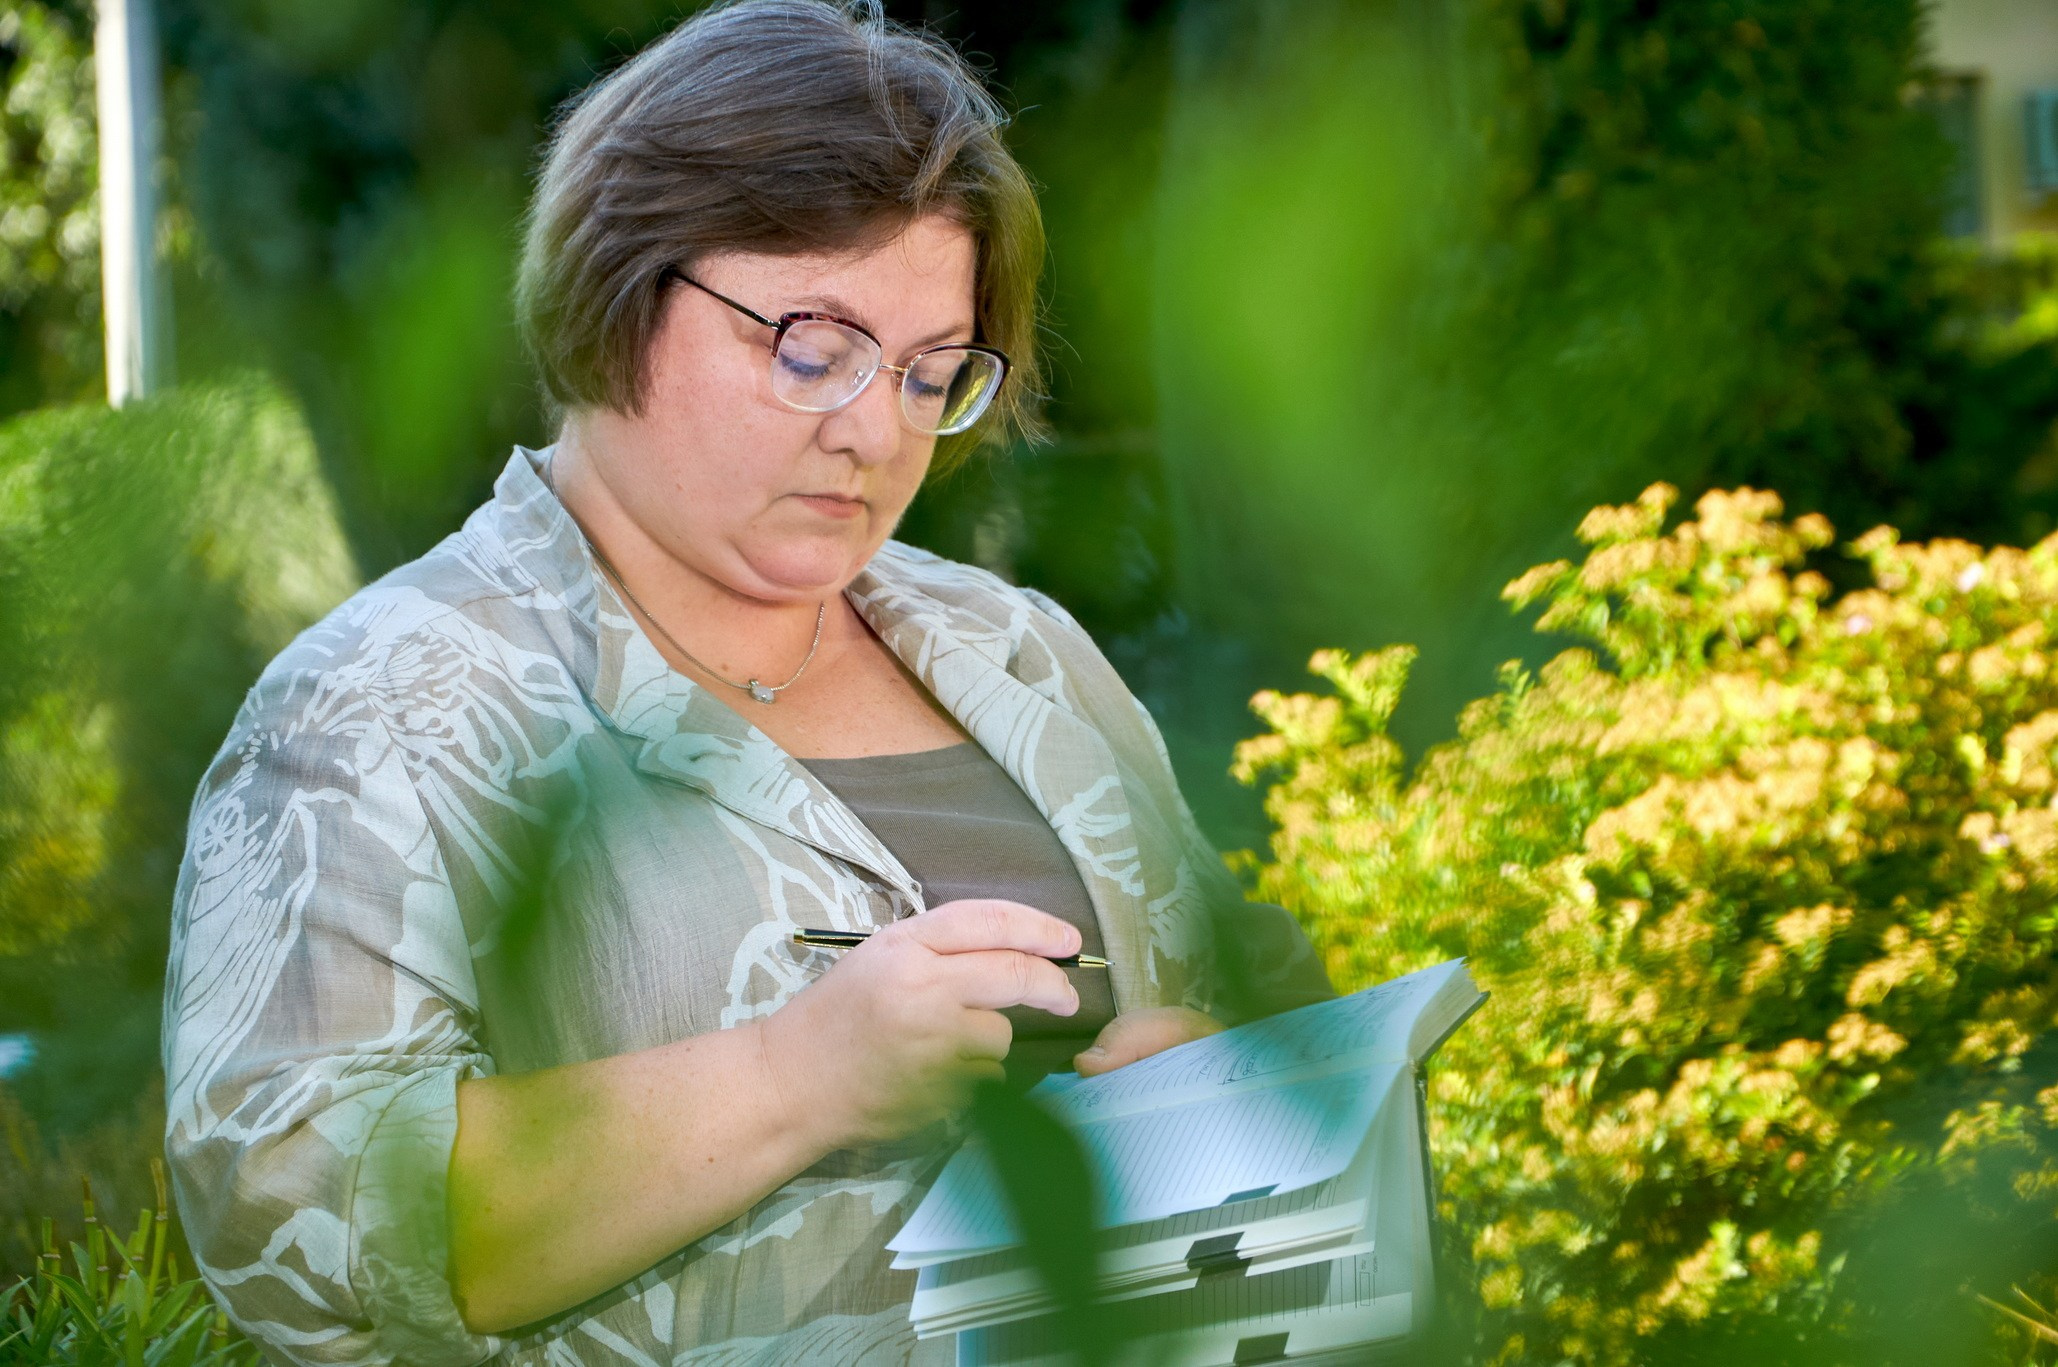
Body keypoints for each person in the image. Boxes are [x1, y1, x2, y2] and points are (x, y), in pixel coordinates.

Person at [161, 2, 1331, 1363]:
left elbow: (1248, 1005)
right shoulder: (376, 713)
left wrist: (1214, 1081)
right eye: (811, 346)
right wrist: (798, 1074)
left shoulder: (1021, 652)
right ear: (618, 289)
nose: (869, 432)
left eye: (927, 374)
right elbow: (299, 1234)